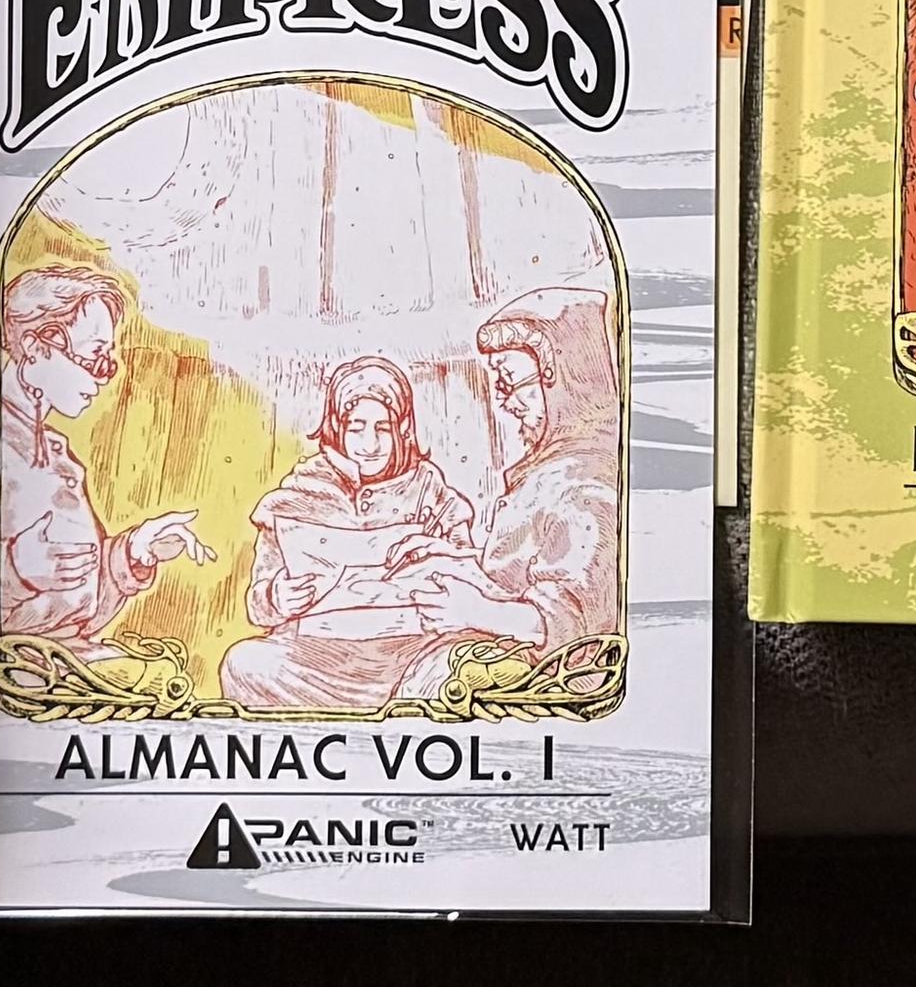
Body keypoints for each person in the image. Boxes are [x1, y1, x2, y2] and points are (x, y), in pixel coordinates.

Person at [217, 356, 481, 712]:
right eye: (357, 428)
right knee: (244, 663)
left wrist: (439, 555)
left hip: (410, 656)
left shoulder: (428, 487)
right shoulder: (303, 489)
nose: (370, 444)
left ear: (402, 428)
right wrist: (278, 596)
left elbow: (471, 574)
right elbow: (258, 603)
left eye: (382, 428)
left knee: (458, 665)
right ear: (338, 428)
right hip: (315, 661)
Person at [399, 286, 628, 686]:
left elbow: (570, 621)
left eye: (510, 382)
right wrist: (458, 557)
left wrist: (477, 613)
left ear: (565, 379)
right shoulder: (550, 472)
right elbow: (519, 573)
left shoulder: (585, 487)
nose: (505, 402)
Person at [0, 265, 210, 645]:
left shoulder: (57, 454)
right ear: (35, 347)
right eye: (95, 355)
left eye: (108, 359)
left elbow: (82, 605)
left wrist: (134, 552)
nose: (105, 374)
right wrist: (15, 571)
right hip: (19, 663)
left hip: (68, 654)